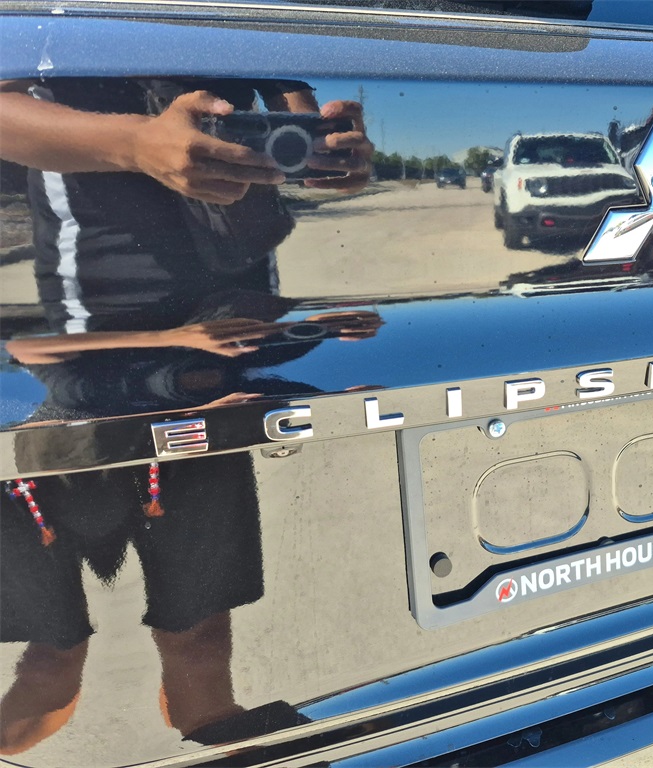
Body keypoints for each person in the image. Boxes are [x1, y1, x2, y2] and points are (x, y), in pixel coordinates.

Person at [0, 76, 374, 754]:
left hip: (217, 376)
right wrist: (135, 144)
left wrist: (328, 153)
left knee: (201, 648)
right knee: (51, 666)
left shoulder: (254, 36)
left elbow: (302, 117)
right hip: (80, 389)